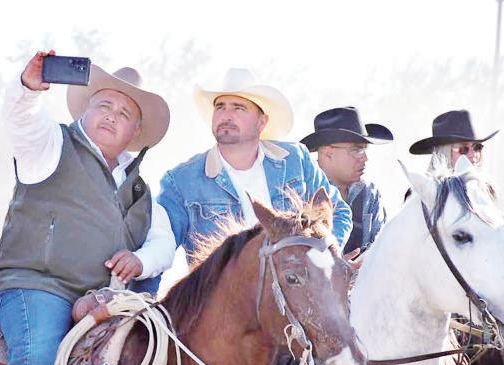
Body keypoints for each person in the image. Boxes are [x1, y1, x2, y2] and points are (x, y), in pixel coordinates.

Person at [0, 50, 175, 365]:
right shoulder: (51, 146)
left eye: (125, 114)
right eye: (104, 105)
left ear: (135, 132)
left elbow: (163, 244)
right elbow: (21, 121)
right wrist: (28, 89)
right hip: (36, 287)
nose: (112, 116)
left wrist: (140, 261)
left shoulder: (141, 190)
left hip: (104, 301)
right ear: (86, 110)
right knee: (39, 356)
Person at [157, 68, 352, 262]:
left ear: (262, 122)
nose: (226, 115)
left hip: (294, 279)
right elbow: (160, 244)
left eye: (238, 108)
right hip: (227, 283)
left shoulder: (296, 160)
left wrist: (325, 258)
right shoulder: (182, 181)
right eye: (220, 107)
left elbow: (338, 212)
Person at [300, 107, 393, 255]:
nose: (365, 158)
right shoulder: (300, 192)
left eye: (364, 150)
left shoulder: (369, 193)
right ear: (328, 153)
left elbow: (382, 247)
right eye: (357, 150)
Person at [409, 109, 499, 170]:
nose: (473, 155)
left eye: (477, 148)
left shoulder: (486, 190)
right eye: (463, 149)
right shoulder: (420, 191)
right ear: (443, 155)